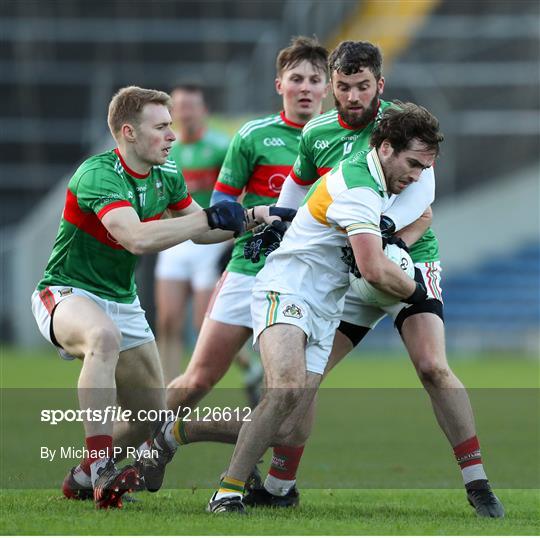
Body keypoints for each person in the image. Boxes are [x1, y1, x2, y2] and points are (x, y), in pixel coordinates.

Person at [243, 41, 504, 518]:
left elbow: (421, 200)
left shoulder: (405, 127)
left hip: (408, 259)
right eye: (343, 87)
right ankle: (280, 487)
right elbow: (301, 193)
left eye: (363, 86)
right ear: (332, 85)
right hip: (355, 270)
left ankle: (478, 483)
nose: (353, 96)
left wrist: (389, 242)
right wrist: (283, 225)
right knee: (303, 383)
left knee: (431, 367)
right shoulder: (317, 133)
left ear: (379, 85)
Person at [30, 85, 292, 509]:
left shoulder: (167, 175)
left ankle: (80, 476)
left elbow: (204, 231)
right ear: (129, 132)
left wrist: (255, 219)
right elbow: (134, 237)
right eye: (162, 127)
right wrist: (210, 217)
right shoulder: (98, 173)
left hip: (123, 300)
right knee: (103, 337)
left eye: (172, 126)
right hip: (67, 292)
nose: (173, 135)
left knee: (148, 421)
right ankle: (101, 467)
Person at [209, 103, 444, 513]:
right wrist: (418, 293)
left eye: (424, 169)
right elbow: (372, 270)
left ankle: (174, 435)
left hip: (326, 306)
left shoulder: (380, 181)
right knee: (286, 390)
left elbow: (422, 214)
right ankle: (226, 492)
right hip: (288, 288)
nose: (417, 176)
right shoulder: (359, 186)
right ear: (386, 149)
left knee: (290, 424)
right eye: (413, 164)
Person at [164, 36, 329, 413]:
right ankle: (146, 446)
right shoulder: (253, 136)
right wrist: (256, 215)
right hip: (250, 268)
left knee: (288, 393)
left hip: (310, 277)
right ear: (279, 85)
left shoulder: (343, 143)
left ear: (327, 87)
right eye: (296, 78)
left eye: (314, 79)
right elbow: (222, 202)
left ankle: (259, 471)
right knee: (197, 380)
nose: (305, 87)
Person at [154, 84, 230, 383]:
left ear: (204, 111)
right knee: (168, 320)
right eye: (179, 107)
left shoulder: (221, 147)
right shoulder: (163, 149)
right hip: (174, 240)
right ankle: (166, 390)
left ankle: (240, 373)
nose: (184, 112)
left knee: (204, 323)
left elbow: (236, 191)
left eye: (190, 106)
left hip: (208, 241)